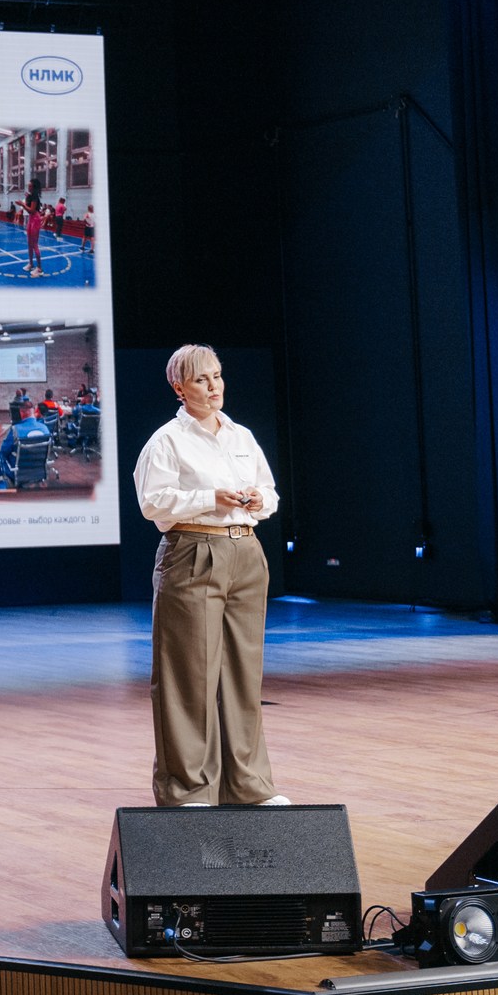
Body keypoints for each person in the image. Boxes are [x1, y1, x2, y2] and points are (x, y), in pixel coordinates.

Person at [133, 344, 285, 808]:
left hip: (245, 552)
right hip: (194, 550)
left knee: (243, 673)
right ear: (179, 388)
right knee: (189, 675)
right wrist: (209, 498)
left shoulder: (241, 435)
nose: (214, 386)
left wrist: (260, 500)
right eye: (201, 379)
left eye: (217, 376)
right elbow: (152, 502)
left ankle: (247, 785)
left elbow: (270, 491)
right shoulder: (167, 441)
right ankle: (190, 788)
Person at [23, 190, 46, 276]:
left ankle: (39, 269)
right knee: (29, 244)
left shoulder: (35, 197)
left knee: (34, 245)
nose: (28, 188)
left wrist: (22, 204)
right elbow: (29, 211)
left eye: (30, 186)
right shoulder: (31, 197)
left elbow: (31, 210)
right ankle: (31, 264)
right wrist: (26, 199)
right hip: (31, 219)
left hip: (35, 220)